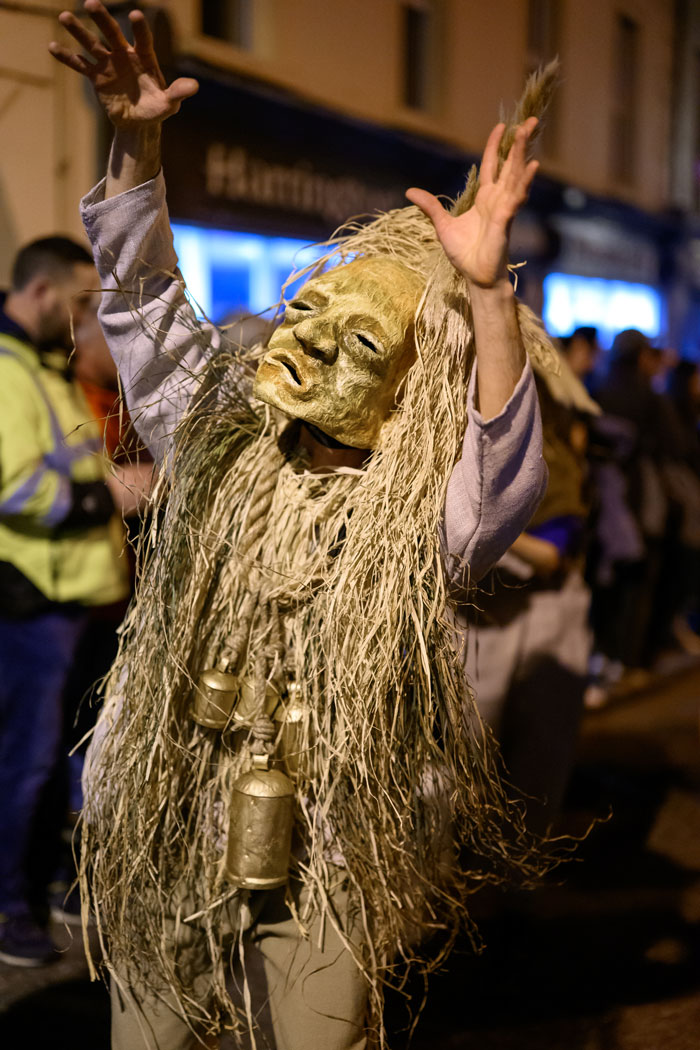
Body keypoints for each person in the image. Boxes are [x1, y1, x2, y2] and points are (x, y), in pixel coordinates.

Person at [50, 4, 560, 1047]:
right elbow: (141, 304)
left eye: (357, 338)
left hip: (328, 848)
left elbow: (502, 479)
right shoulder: (215, 439)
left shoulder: (414, 522)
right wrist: (137, 142)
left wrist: (484, 297)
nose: (308, 344)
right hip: (170, 822)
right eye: (306, 315)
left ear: (408, 392)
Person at [0, 236, 130, 966]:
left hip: (69, 601)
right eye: (82, 303)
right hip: (33, 604)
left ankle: (46, 882)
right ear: (45, 293)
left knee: (50, 762)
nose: (89, 321)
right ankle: (7, 909)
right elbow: (17, 490)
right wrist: (114, 490)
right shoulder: (8, 369)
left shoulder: (38, 366)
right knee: (25, 762)